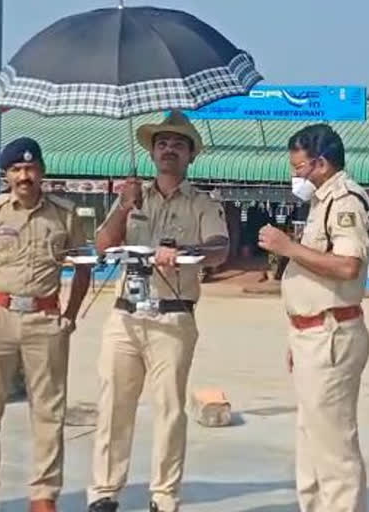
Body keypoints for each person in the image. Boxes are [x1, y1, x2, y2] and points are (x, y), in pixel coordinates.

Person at [86, 111, 229, 512]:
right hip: (125, 314)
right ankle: (104, 492)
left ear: (190, 156)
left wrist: (184, 253)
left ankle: (164, 496)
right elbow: (102, 245)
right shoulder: (133, 198)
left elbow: (220, 250)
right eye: (163, 143)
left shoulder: (202, 203)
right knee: (113, 403)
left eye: (178, 145)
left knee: (168, 410)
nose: (169, 150)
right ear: (151, 151)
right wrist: (123, 206)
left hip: (172, 315)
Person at [0, 137, 92, 512]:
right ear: (6, 175)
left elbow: (83, 268)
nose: (24, 176)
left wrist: (69, 315)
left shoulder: (64, 215)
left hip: (45, 318)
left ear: (42, 173)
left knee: (49, 410)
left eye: (31, 169)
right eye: (17, 170)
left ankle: (44, 493)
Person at [258, 124, 369, 512]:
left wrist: (287, 247)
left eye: (299, 167)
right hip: (312, 336)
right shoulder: (321, 202)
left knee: (334, 448)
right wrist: (298, 335)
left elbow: (346, 266)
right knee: (311, 443)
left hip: (332, 334)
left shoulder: (345, 201)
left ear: (321, 163)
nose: (295, 176)